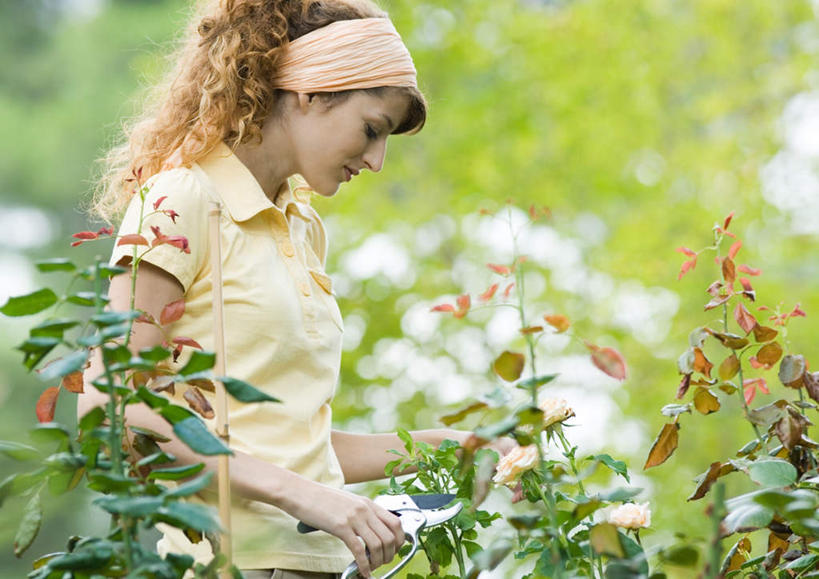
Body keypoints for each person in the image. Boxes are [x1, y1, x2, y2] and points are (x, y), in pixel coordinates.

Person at [78, 1, 513, 578]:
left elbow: (294, 446)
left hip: (319, 565)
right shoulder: (180, 200)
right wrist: (305, 497)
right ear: (311, 93)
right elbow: (114, 407)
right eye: (372, 130)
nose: (378, 160)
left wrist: (450, 446)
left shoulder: (303, 226)